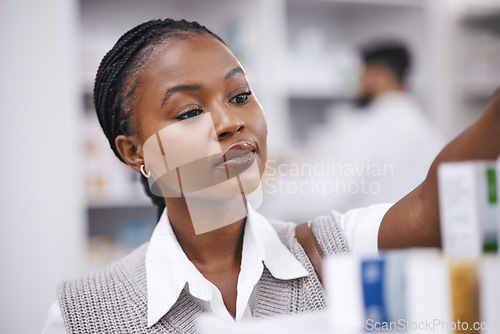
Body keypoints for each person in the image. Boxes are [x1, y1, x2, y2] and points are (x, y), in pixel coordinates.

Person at [42, 19, 500, 333]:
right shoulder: (85, 312)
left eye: (240, 96)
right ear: (134, 151)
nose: (228, 121)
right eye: (189, 111)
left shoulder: (327, 250)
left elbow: (430, 208)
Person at [262, 42, 445, 221]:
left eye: (361, 75)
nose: (357, 85)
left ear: (380, 75)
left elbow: (318, 197)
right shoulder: (428, 132)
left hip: (368, 244)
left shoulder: (369, 129)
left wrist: (266, 183)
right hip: (417, 246)